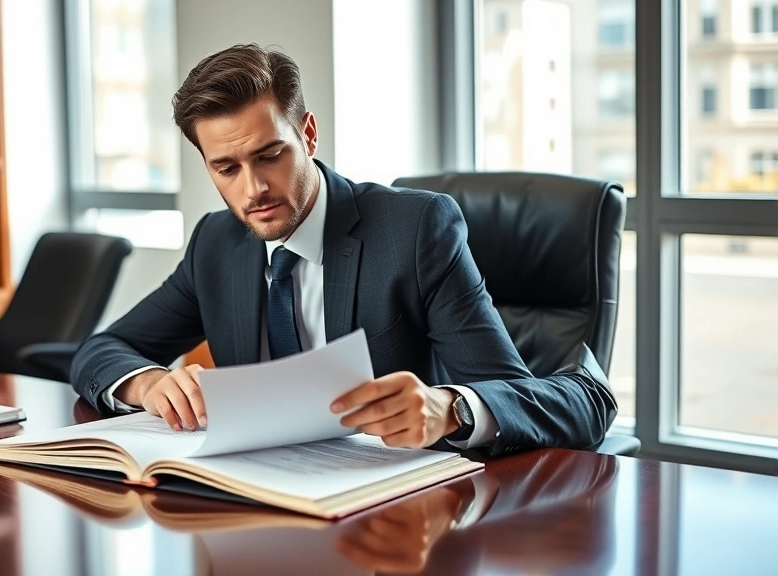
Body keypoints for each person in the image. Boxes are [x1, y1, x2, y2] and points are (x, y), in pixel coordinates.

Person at [70, 43, 617, 455]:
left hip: (396, 518)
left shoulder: (416, 230)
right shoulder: (217, 242)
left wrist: (448, 408)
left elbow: (517, 393)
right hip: (258, 511)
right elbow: (101, 350)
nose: (253, 189)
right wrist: (148, 383)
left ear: (307, 134)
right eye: (227, 168)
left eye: (270, 155)